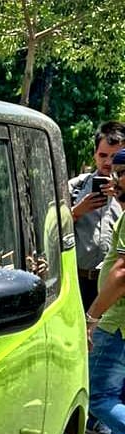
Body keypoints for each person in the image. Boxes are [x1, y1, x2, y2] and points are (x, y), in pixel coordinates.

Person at [78, 147, 125, 434]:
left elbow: (121, 275)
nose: (117, 179)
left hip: (116, 322)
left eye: (122, 173)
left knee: (98, 398)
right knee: (117, 398)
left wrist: (92, 317)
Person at [69, 120, 125, 310]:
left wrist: (120, 198)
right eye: (102, 155)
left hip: (115, 287)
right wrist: (76, 212)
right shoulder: (74, 188)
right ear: (94, 155)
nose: (108, 162)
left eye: (115, 156)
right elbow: (50, 231)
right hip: (78, 282)